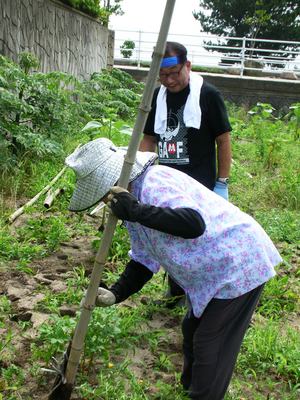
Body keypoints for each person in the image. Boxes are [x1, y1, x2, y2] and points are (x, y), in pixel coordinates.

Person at [66, 138, 282, 400]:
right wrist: (116, 293)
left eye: (103, 192)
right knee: (191, 331)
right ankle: (191, 390)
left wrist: (136, 211)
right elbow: (144, 260)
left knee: (210, 343)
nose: (104, 199)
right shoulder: (131, 206)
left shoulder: (155, 182)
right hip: (210, 275)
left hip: (237, 263)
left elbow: (193, 223)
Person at [139, 41, 232, 305]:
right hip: (168, 184)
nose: (169, 81)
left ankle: (198, 295)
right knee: (170, 237)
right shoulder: (158, 97)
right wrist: (143, 173)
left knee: (198, 241)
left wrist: (222, 183)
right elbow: (149, 138)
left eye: (175, 73)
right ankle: (176, 292)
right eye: (163, 76)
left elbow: (223, 140)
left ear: (187, 66)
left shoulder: (207, 95)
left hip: (199, 185)